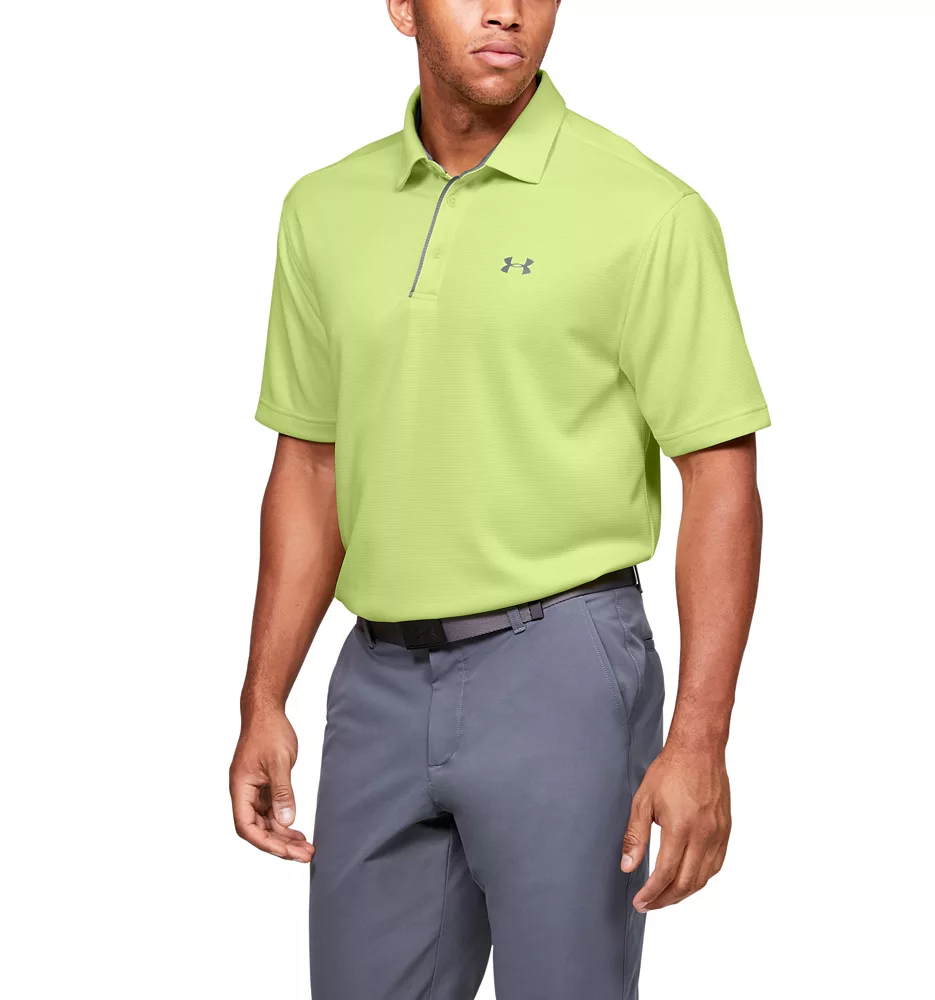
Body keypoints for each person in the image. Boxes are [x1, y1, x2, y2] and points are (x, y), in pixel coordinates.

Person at [229, 1, 770, 997]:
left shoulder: (646, 211)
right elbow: (309, 464)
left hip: (563, 668)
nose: (506, 11)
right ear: (402, 7)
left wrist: (700, 739)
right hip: (376, 682)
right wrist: (264, 696)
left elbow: (719, 474)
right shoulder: (323, 209)